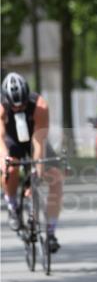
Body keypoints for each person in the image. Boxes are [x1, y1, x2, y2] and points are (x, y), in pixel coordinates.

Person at [0, 72, 63, 251]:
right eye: (15, 107)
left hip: (35, 140)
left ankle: (51, 232)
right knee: (10, 169)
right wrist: (5, 160)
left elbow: (38, 143)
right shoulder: (1, 108)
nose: (19, 109)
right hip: (11, 142)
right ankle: (12, 205)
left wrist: (36, 175)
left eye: (23, 105)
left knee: (56, 178)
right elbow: (0, 139)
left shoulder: (40, 105)